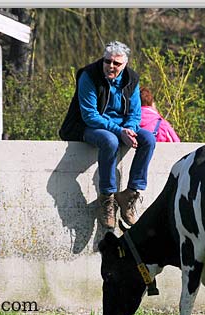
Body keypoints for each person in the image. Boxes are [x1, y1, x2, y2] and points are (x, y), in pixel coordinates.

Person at [59, 40, 156, 229]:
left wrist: (129, 129)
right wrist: (120, 132)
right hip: (88, 126)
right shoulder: (88, 75)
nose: (110, 66)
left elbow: (135, 113)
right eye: (107, 61)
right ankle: (107, 197)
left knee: (149, 139)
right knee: (109, 140)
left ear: (125, 64)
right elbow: (90, 115)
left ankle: (130, 193)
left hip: (121, 127)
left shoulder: (132, 79)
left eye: (116, 63)